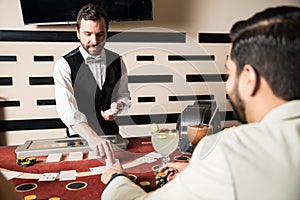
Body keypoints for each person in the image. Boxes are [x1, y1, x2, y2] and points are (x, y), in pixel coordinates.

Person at [100, 6, 300, 200]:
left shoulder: (232, 150)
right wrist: (199, 172)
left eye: (229, 73)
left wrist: (116, 179)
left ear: (249, 78)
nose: (227, 85)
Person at [53, 3, 131, 162]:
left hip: (112, 136)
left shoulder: (118, 61)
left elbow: (124, 96)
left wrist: (118, 106)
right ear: (78, 33)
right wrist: (92, 137)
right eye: (88, 34)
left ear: (107, 33)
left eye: (100, 34)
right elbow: (67, 111)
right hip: (80, 140)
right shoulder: (64, 65)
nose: (94, 41)